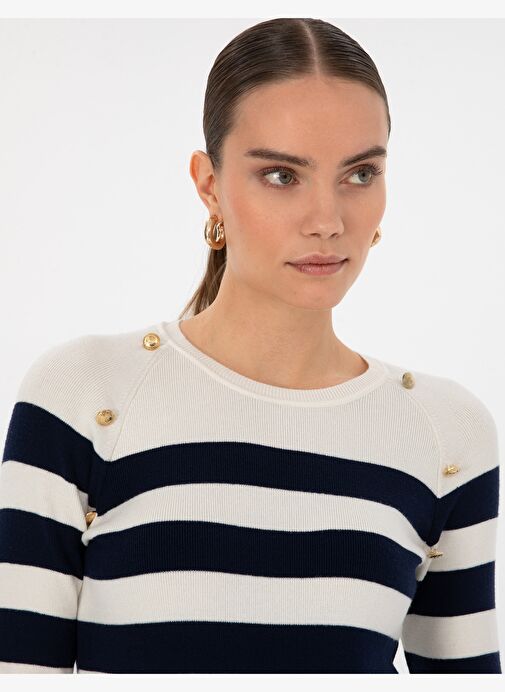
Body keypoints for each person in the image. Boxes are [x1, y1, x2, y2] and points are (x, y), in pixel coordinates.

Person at [0, 17, 501, 674]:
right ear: (208, 184)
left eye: (359, 174)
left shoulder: (445, 436)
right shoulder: (87, 397)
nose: (327, 221)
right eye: (281, 175)